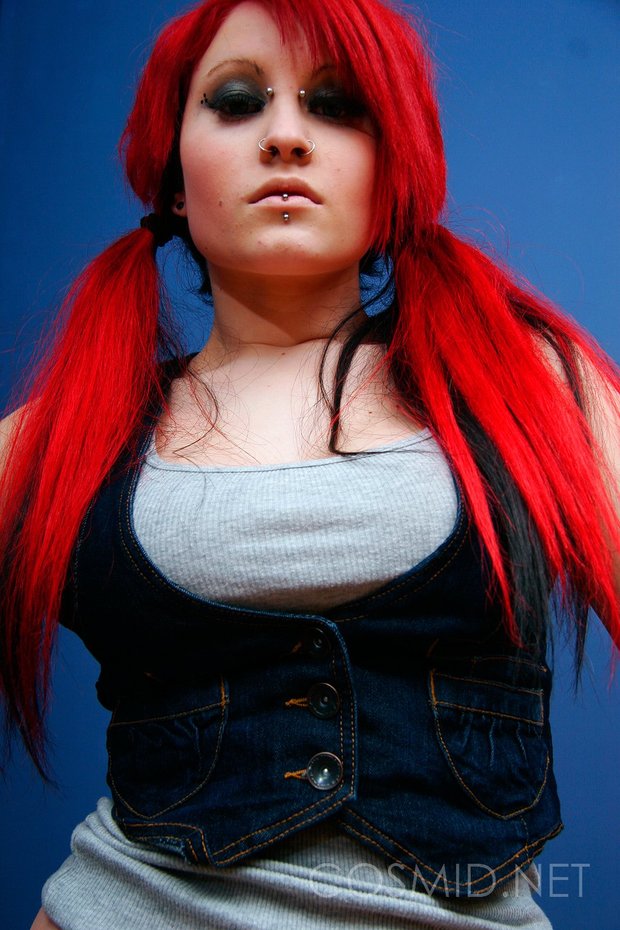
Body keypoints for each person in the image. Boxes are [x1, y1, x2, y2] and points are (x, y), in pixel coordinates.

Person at [0, 0, 618, 927]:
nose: (286, 135)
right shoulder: (51, 444)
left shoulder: (538, 391)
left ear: (392, 168)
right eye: (237, 101)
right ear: (174, 179)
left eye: (336, 105)